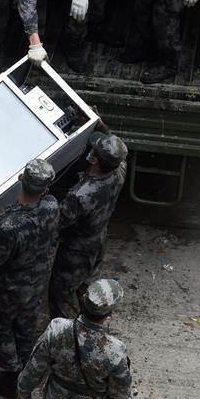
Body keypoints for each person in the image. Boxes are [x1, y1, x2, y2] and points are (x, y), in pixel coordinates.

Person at [0, 159, 60, 399]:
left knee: (1, 330)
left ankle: (10, 378)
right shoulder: (51, 206)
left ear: (20, 178)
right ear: (45, 189)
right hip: (34, 284)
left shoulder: (10, 226)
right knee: (25, 327)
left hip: (6, 290)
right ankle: (25, 370)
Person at [17, 279, 133, 399]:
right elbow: (121, 394)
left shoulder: (57, 328)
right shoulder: (115, 350)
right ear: (110, 313)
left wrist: (22, 393)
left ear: (83, 299)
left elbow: (34, 369)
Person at [49, 133, 128, 319]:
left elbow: (57, 222)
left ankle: (71, 329)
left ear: (93, 159)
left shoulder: (80, 195)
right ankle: (90, 313)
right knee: (86, 283)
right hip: (98, 241)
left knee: (61, 294)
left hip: (75, 251)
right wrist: (103, 127)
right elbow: (118, 153)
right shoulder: (120, 172)